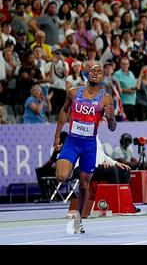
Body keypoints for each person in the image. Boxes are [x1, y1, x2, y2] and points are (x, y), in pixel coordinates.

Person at [52, 64, 117, 234]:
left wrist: (110, 118)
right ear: (88, 74)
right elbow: (64, 111)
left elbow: (112, 127)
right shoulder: (73, 92)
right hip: (72, 141)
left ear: (103, 77)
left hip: (89, 145)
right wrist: (57, 136)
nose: (95, 73)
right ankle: (67, 165)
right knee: (61, 176)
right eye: (93, 70)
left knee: (83, 185)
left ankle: (79, 220)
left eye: (99, 72)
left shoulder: (106, 99)